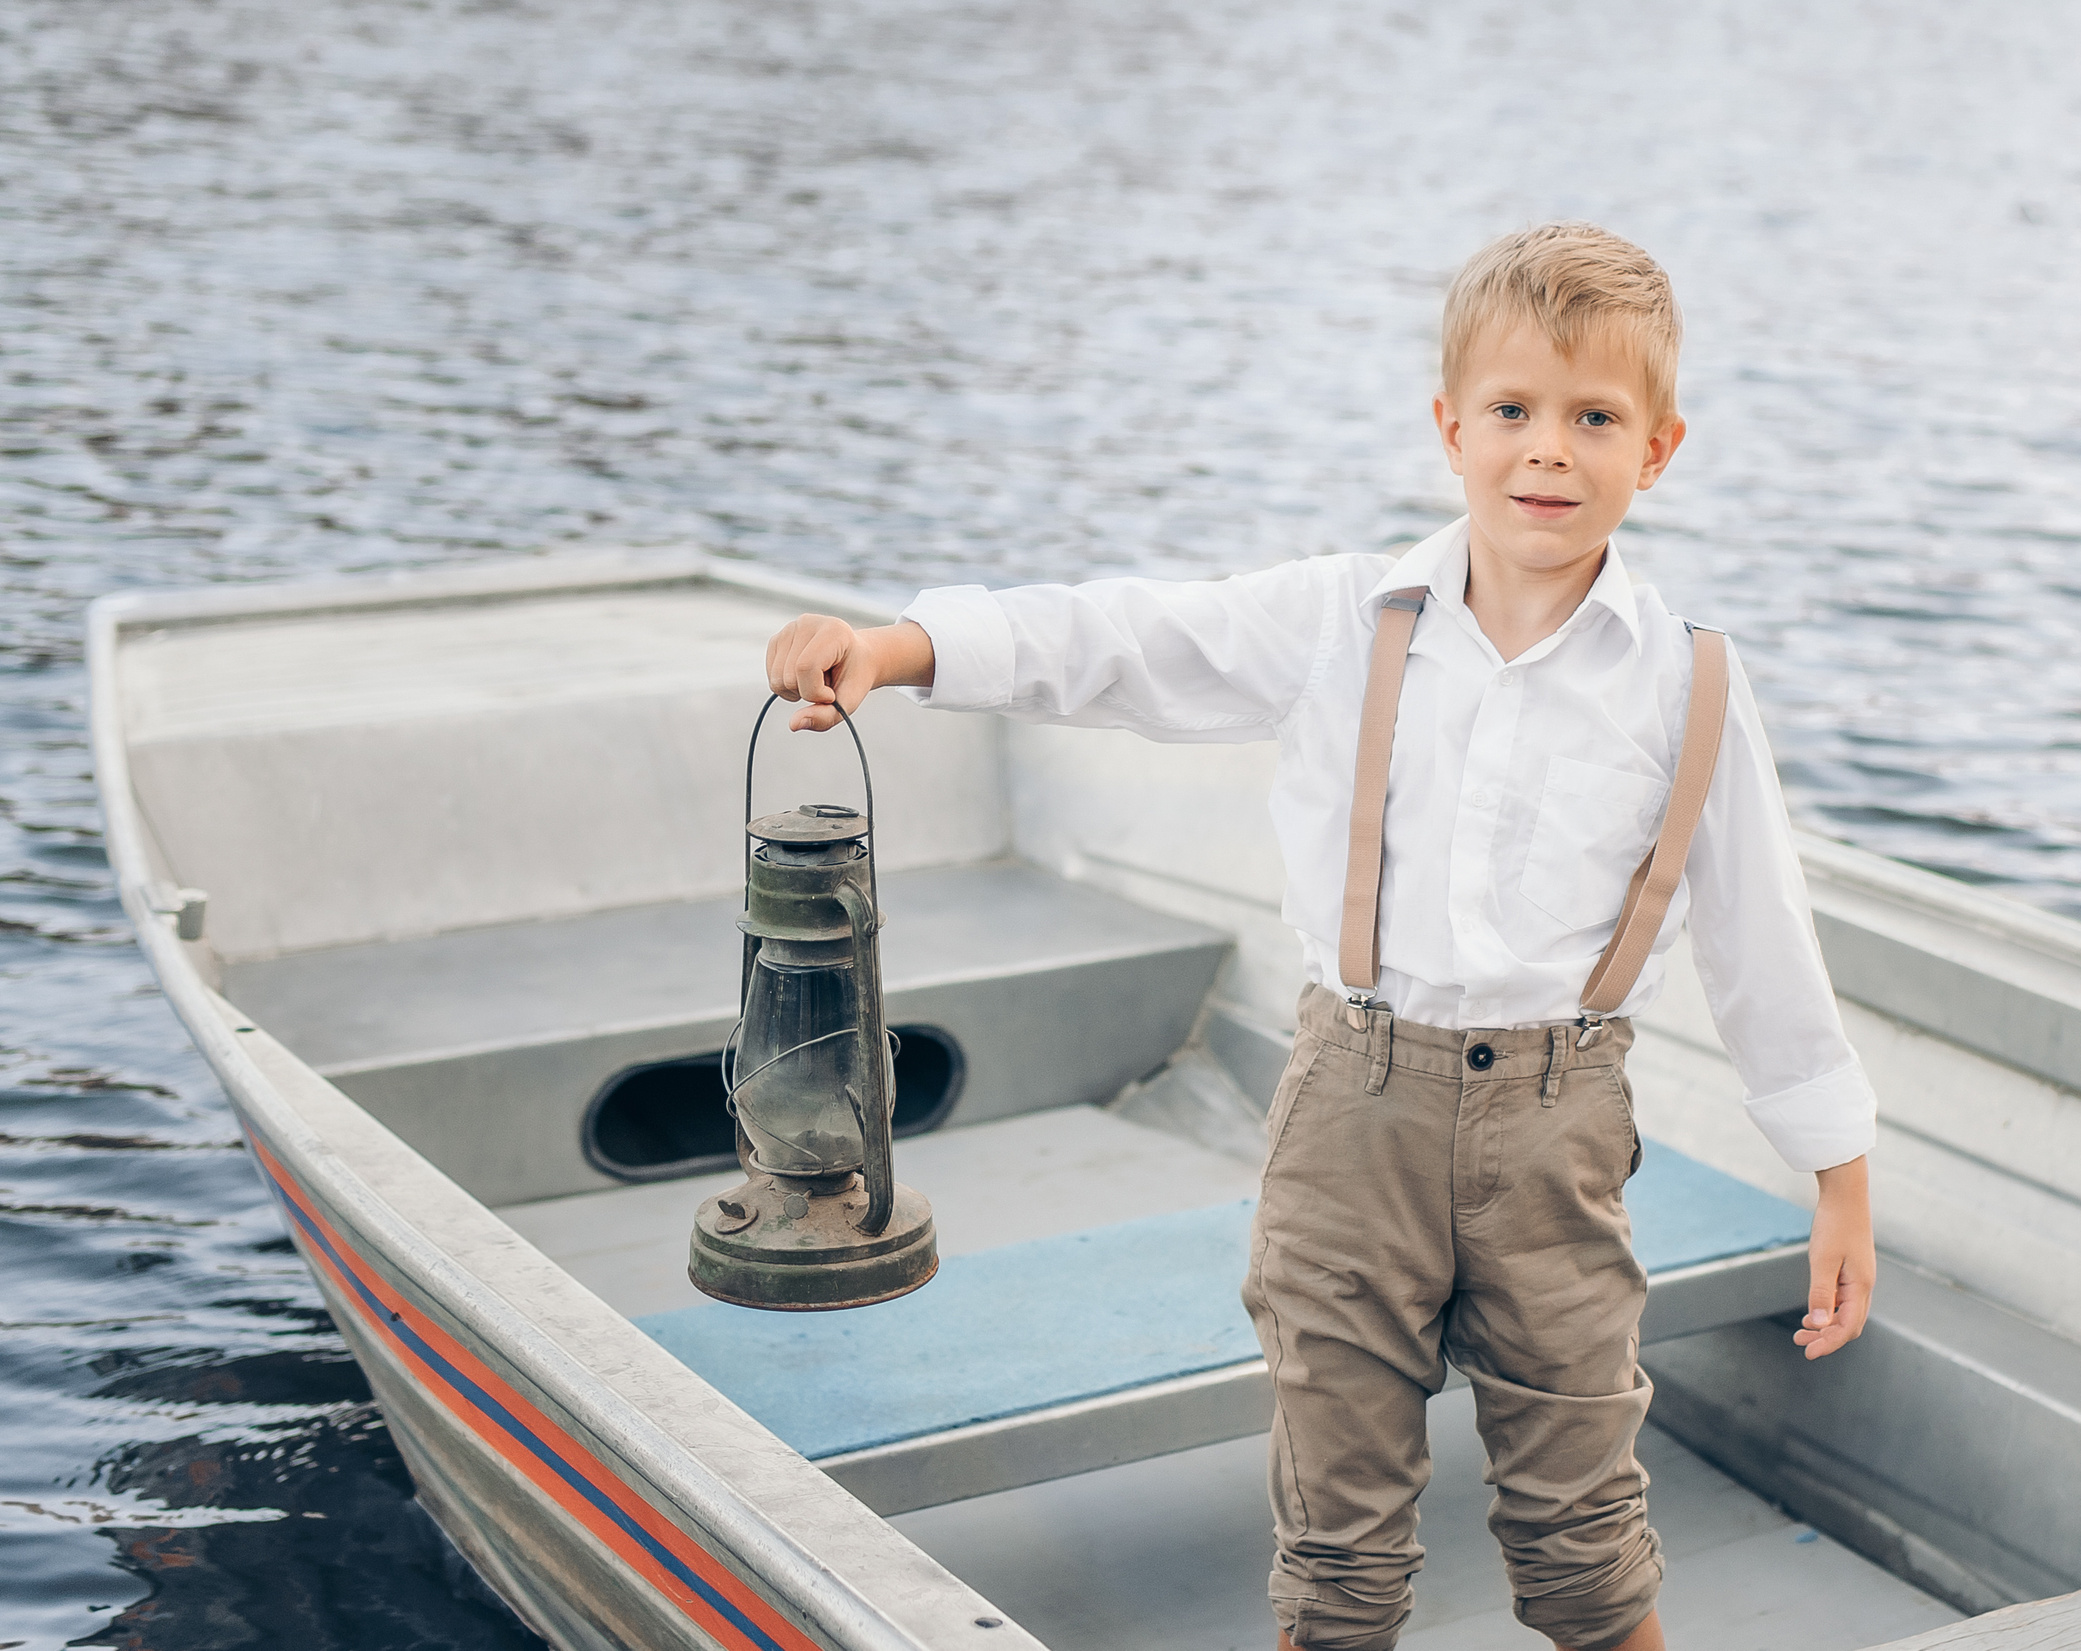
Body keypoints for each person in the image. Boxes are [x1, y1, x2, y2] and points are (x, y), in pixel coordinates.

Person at [763, 222, 1877, 1651]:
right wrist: (901, 647)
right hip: (1352, 1113)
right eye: (1515, 413)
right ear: (1449, 429)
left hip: (1560, 1131)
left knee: (1587, 1533)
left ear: (1655, 450)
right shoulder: (1348, 619)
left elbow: (1762, 941)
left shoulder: (1688, 685)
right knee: (1339, 1545)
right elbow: (1123, 640)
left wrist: (1837, 1180)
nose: (1548, 452)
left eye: (1593, 419)